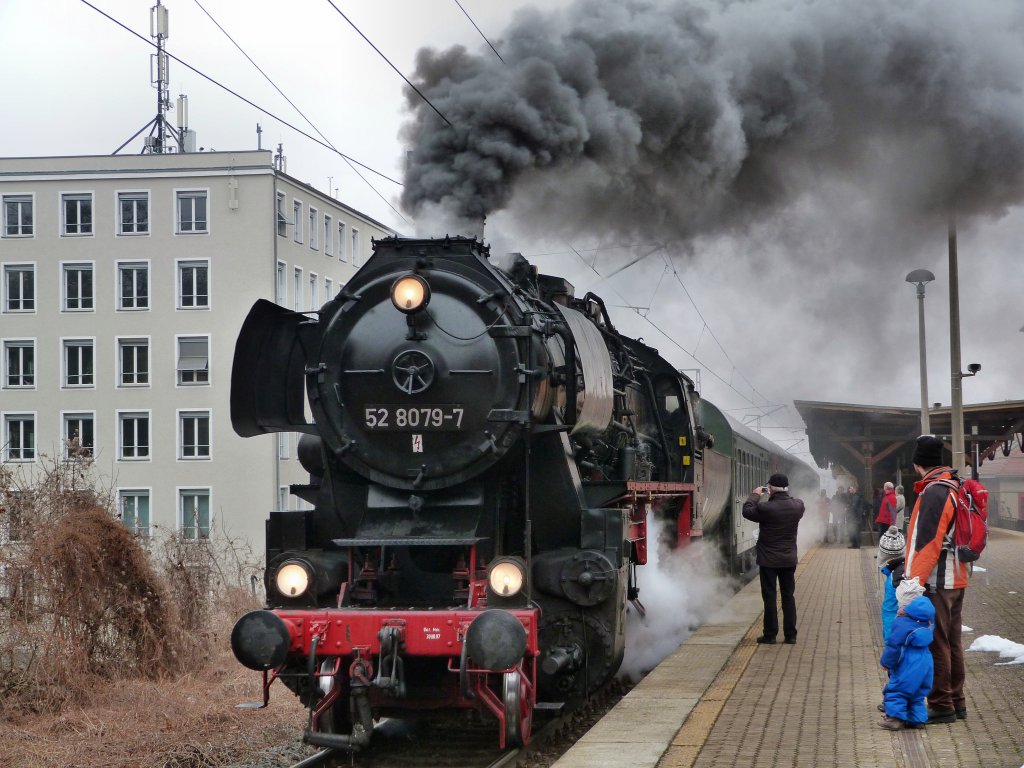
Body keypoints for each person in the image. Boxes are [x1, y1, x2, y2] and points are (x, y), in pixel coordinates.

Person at [904, 434, 968, 724]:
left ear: (918, 465)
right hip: (955, 578)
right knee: (951, 642)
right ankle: (957, 701)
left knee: (937, 643)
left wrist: (912, 585)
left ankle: (942, 704)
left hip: (938, 581)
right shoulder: (954, 486)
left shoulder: (935, 491)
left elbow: (928, 542)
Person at [742, 473, 805, 645]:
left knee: (769, 597)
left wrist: (756, 494)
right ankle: (790, 635)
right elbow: (794, 501)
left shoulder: (765, 509)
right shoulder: (797, 506)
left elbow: (746, 511)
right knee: (788, 596)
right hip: (788, 559)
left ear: (770, 489)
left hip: (768, 561)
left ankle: (770, 635)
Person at [878, 577, 935, 731]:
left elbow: (894, 646)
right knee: (917, 692)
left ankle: (894, 719)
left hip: (908, 662)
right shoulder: (928, 620)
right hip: (926, 661)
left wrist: (886, 662)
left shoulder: (902, 623)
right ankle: (917, 720)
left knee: (897, 690)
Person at [878, 525, 906, 641]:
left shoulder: (893, 579)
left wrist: (890, 644)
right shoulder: (905, 568)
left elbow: (889, 613)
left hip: (898, 642)